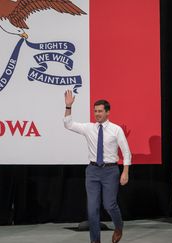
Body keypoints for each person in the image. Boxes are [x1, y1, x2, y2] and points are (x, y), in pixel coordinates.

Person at [63, 90, 131, 243]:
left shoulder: (116, 130)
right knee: (92, 209)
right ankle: (95, 241)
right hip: (92, 171)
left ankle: (119, 227)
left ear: (108, 112)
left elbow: (126, 152)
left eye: (100, 111)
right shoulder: (89, 128)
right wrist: (68, 107)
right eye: (95, 111)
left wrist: (125, 172)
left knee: (109, 205)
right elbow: (68, 124)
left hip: (110, 171)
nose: (97, 114)